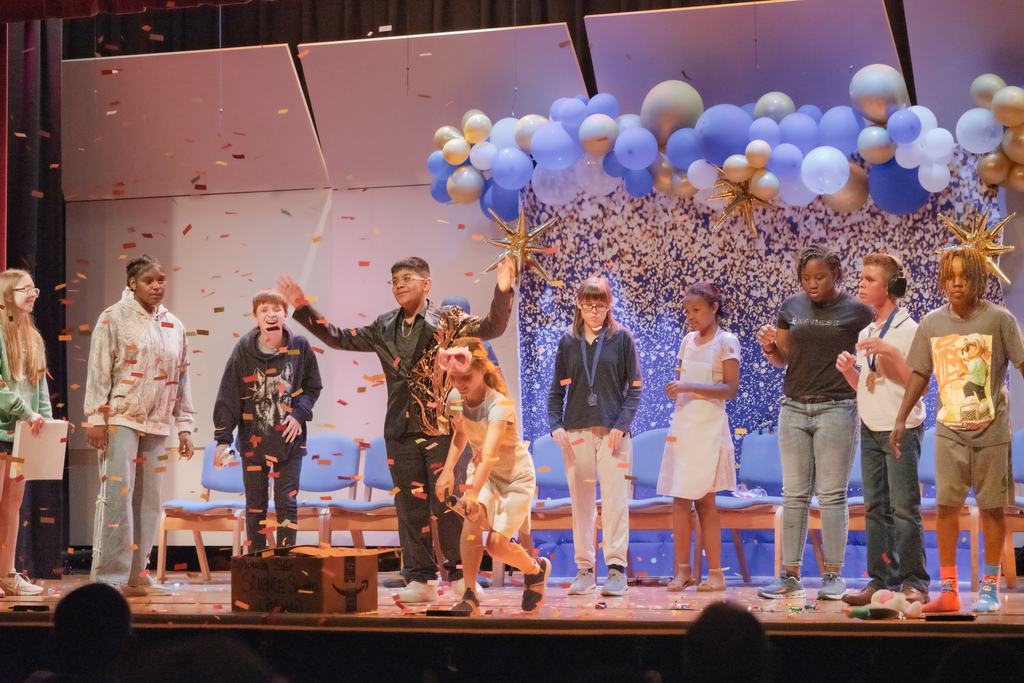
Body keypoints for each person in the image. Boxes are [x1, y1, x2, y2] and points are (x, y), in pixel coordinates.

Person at [277, 256, 514, 603]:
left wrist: (503, 288)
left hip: (441, 428)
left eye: (407, 278)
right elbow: (338, 337)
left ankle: (462, 575)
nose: (399, 285)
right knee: (409, 506)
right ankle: (420, 576)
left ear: (426, 284)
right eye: (394, 281)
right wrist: (302, 306)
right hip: (399, 429)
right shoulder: (384, 325)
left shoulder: (448, 320)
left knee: (448, 503)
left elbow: (493, 325)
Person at [891, 247, 1024, 613]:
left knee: (992, 508)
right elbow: (920, 373)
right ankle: (949, 591)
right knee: (946, 508)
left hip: (991, 432)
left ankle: (990, 588)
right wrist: (901, 418)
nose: (957, 283)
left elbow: (1022, 363)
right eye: (950, 277)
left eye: (965, 276)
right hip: (949, 431)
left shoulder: (1000, 320)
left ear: (980, 279)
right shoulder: (932, 323)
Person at [756, 245, 872, 600]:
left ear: (836, 274)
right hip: (793, 407)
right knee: (794, 494)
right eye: (806, 278)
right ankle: (789, 574)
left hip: (837, 407)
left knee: (833, 494)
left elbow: (871, 361)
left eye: (820, 277)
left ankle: (833, 576)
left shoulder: (857, 312)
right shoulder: (790, 307)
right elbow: (785, 359)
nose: (812, 284)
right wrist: (770, 349)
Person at [84, 254, 195, 596]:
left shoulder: (174, 325)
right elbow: (100, 371)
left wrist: (185, 425)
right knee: (117, 497)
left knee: (149, 502)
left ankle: (137, 573)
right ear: (132, 283)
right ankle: (110, 578)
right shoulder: (112, 319)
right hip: (121, 419)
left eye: (161, 280)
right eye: (149, 281)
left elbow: (182, 377)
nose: (157, 286)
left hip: (158, 423)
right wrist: (95, 418)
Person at [836, 254, 930, 606]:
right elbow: (869, 383)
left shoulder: (910, 330)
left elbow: (919, 384)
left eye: (869, 279)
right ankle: (882, 579)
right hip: (871, 426)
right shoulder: (866, 331)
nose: (861, 284)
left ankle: (915, 580)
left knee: (904, 508)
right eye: (861, 278)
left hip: (900, 428)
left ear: (890, 287)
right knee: (875, 508)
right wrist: (849, 372)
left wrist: (891, 351)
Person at [433, 338, 550, 614]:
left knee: (496, 546)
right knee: (471, 524)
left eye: (466, 377)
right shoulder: (455, 399)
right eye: (453, 377)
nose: (459, 383)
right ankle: (470, 593)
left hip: (514, 478)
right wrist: (448, 469)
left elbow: (490, 453)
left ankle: (535, 570)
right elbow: (461, 435)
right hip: (482, 472)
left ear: (482, 371)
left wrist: (472, 494)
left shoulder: (499, 405)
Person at [547, 276, 642, 597]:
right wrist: (555, 424)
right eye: (588, 304)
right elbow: (555, 391)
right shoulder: (567, 341)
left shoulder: (622, 339)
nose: (594, 310)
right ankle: (585, 570)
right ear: (578, 304)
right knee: (582, 505)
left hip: (614, 433)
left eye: (600, 304)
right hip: (576, 432)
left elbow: (636, 390)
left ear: (609, 305)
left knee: (616, 503)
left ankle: (616, 571)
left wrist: (621, 424)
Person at [212, 288, 322, 552]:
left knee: (287, 504)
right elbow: (229, 395)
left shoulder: (300, 346)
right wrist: (222, 440)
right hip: (253, 441)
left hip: (289, 441)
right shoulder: (243, 350)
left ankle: (285, 564)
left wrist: (299, 414)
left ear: (285, 315)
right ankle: (256, 565)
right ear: (255, 317)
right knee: (255, 507)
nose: (271, 315)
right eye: (264, 310)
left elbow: (312, 387)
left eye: (276, 310)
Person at [657, 282, 740, 592]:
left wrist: (690, 387)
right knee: (679, 500)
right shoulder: (687, 341)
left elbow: (729, 389)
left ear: (713, 308)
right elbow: (682, 379)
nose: (690, 316)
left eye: (696, 310)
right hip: (684, 426)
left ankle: (716, 573)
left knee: (706, 502)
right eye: (687, 311)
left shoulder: (726, 342)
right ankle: (682, 571)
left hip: (709, 428)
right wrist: (676, 388)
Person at [0, 270, 51, 596]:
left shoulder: (32, 337)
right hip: (3, 429)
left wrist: (45, 419)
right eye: (25, 289)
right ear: (7, 294)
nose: (33, 293)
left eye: (35, 288)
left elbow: (39, 386)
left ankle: (7, 574)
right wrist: (26, 411)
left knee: (12, 505)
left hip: (21, 433)